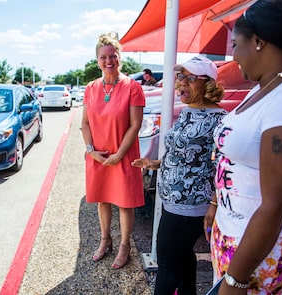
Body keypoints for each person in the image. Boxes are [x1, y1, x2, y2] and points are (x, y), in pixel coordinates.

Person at [204, 0, 282, 294]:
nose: (233, 56)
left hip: (260, 245)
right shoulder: (265, 87)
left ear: (258, 41)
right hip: (235, 231)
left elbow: (279, 203)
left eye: (235, 45)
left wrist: (236, 279)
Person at [132, 55, 226, 295]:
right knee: (182, 256)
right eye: (180, 76)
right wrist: (154, 163)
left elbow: (222, 165)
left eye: (190, 78)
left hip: (191, 204)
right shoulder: (187, 112)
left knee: (166, 261)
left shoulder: (219, 120)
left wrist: (214, 204)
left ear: (209, 84)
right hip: (171, 199)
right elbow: (180, 153)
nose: (181, 82)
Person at [81, 32, 145, 269]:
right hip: (98, 155)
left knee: (125, 203)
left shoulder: (133, 87)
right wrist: (91, 151)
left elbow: (135, 125)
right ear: (97, 60)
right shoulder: (90, 88)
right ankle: (105, 239)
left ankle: (125, 245)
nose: (108, 61)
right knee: (102, 201)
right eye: (103, 57)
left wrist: (119, 155)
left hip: (124, 154)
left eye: (112, 56)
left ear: (119, 57)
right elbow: (85, 124)